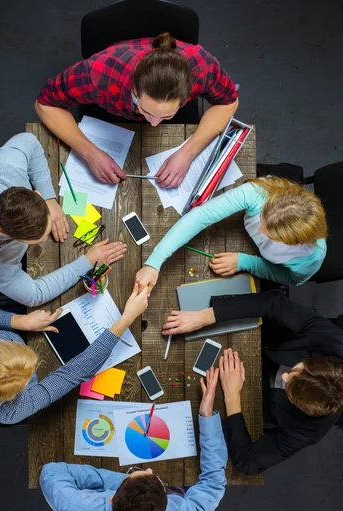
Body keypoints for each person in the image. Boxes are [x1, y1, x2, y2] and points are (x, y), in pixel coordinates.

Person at [40, 367, 227, 511]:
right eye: (155, 479)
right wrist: (206, 415)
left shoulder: (77, 510)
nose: (149, 468)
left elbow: (51, 473)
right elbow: (214, 480)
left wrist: (110, 480)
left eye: (137, 472)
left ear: (112, 497)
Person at [162, 290, 343, 474]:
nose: (285, 376)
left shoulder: (311, 430)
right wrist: (205, 316)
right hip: (265, 343)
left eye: (290, 388)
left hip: (259, 398)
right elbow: (273, 302)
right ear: (314, 360)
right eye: (295, 370)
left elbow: (247, 463)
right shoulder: (333, 340)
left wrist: (232, 398)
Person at [35, 32, 238, 187]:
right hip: (111, 109)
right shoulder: (100, 73)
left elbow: (229, 102)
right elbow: (44, 104)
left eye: (166, 115)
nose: (154, 124)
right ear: (134, 87)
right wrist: (89, 153)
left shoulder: (202, 66)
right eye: (146, 111)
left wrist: (187, 153)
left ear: (189, 92)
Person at [0, 133, 126, 307]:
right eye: (38, 238)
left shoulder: (6, 169)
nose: (44, 239)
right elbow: (35, 295)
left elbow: (29, 140)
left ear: (36, 194)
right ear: (2, 232)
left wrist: (49, 199)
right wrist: (86, 261)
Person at [0, 284, 149, 425]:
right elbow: (73, 373)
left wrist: (19, 322)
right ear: (13, 395)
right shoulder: (12, 410)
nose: (34, 364)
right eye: (29, 377)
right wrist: (126, 319)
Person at [136, 177, 327, 289]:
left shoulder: (310, 257)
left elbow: (290, 279)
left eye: (269, 235)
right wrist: (155, 262)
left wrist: (247, 262)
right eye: (262, 220)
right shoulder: (257, 192)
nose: (259, 231)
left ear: (295, 242)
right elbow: (202, 215)